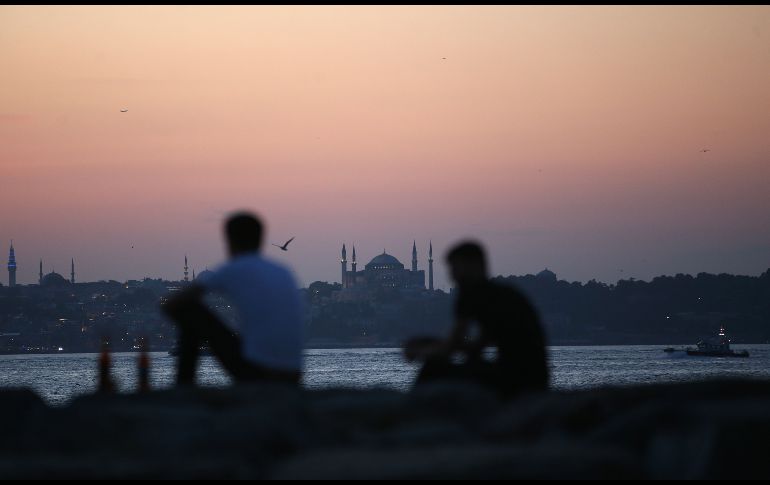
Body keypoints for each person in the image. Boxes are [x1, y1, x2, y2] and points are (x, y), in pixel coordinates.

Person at [161, 212, 303, 386]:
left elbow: (172, 305)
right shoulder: (283, 271)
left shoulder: (233, 268)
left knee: (190, 311)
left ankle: (184, 386)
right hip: (293, 374)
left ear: (230, 240)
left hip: (258, 372)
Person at [404, 241, 549, 399]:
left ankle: (412, 410)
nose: (452, 274)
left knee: (433, 367)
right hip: (534, 379)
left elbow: (449, 349)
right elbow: (477, 347)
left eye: (456, 267)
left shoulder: (472, 295)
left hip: (516, 379)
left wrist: (419, 350)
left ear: (473, 266)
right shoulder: (503, 293)